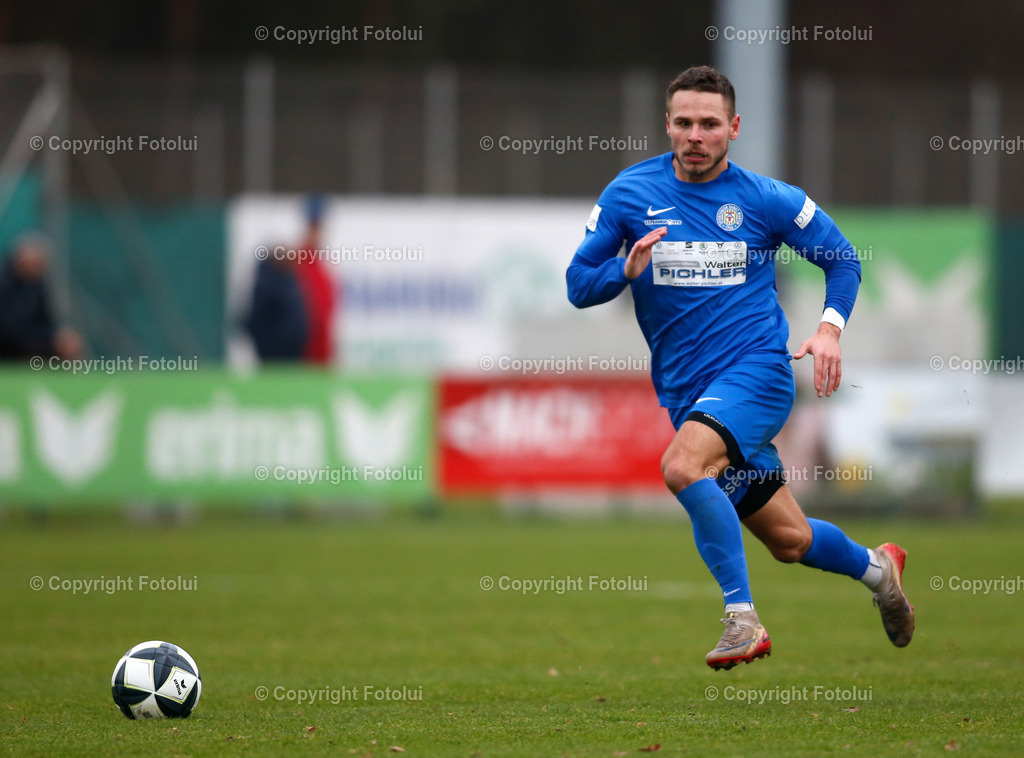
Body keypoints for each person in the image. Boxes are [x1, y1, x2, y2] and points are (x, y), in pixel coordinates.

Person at [566, 66, 914, 670]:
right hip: (688, 392)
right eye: (683, 123)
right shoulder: (629, 194)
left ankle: (741, 619)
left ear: (733, 128)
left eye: (709, 124)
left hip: (757, 375)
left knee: (682, 466)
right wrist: (624, 271)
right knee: (791, 541)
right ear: (667, 124)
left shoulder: (766, 198)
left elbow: (842, 259)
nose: (695, 135)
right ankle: (879, 570)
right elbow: (577, 284)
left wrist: (829, 329)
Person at [0, 233, 82, 362]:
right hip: (9, 345)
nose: (38, 268)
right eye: (34, 263)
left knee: (68, 342)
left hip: (30, 341)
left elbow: (46, 319)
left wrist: (58, 336)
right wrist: (47, 339)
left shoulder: (38, 286)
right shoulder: (5, 284)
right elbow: (10, 327)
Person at [244, 245, 309, 362]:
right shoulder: (267, 284)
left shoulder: (290, 279)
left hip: (292, 348)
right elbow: (259, 316)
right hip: (273, 349)